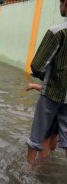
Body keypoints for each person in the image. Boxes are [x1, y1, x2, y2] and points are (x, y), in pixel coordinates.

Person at [26, 0, 67, 160]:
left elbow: (37, 65)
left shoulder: (57, 32)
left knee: (35, 138)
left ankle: (27, 178)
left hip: (52, 93)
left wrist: (45, 79)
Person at [26, 83, 59, 165]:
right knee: (54, 134)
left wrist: (34, 86)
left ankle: (43, 165)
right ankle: (50, 155)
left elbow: (53, 91)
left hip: (53, 107)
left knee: (45, 139)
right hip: (62, 111)